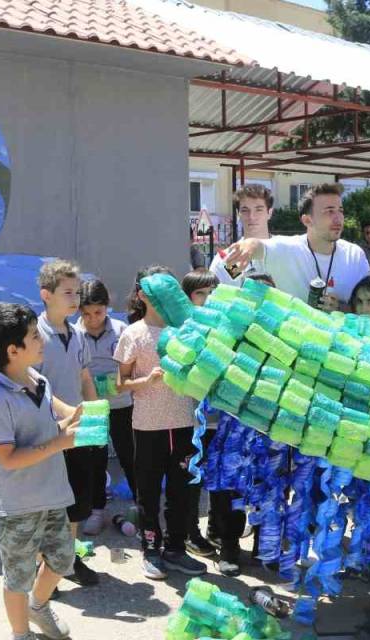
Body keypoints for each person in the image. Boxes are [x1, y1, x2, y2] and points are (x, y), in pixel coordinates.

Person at [0, 302, 84, 640]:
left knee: (63, 558)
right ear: (13, 350)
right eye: (35, 337)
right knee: (18, 577)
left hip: (53, 495)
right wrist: (59, 444)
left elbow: (54, 421)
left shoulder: (38, 379)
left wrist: (81, 418)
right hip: (19, 506)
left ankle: (39, 607)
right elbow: (6, 458)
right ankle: (20, 633)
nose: (42, 341)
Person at [115, 266, 208, 580]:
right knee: (149, 492)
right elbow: (121, 383)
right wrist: (147, 379)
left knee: (182, 491)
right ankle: (150, 549)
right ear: (143, 295)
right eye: (155, 291)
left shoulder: (184, 328)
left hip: (182, 423)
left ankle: (176, 549)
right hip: (147, 426)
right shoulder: (133, 333)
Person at [34, 259, 101, 587]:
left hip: (79, 431)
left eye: (78, 292)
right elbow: (30, 387)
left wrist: (95, 416)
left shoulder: (77, 334)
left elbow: (84, 377)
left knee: (77, 500)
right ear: (46, 295)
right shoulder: (33, 334)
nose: (75, 299)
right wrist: (63, 415)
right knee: (47, 503)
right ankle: (43, 568)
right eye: (67, 292)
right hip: (46, 433)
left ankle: (69, 559)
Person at [181, 269, 245, 575]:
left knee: (227, 486)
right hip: (192, 424)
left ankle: (227, 541)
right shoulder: (183, 331)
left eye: (212, 294)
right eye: (200, 295)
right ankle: (191, 534)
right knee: (192, 484)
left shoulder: (233, 331)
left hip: (227, 424)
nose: (207, 301)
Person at [222, 183, 370, 309]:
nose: (338, 218)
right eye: (329, 211)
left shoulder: (355, 255)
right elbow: (256, 247)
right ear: (307, 220)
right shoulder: (288, 248)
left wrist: (342, 308)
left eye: (340, 211)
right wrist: (247, 247)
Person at [76, 279, 136, 536]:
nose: (92, 319)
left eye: (98, 312)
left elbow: (133, 364)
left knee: (129, 455)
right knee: (94, 460)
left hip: (122, 404)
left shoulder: (122, 330)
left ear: (107, 307)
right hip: (91, 408)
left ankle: (141, 504)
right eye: (86, 314)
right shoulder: (74, 334)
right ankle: (96, 509)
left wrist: (121, 382)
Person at [210, 185, 273, 285]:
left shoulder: (288, 252)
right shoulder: (224, 259)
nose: (251, 216)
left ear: (269, 213)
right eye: (245, 210)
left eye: (259, 209)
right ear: (238, 214)